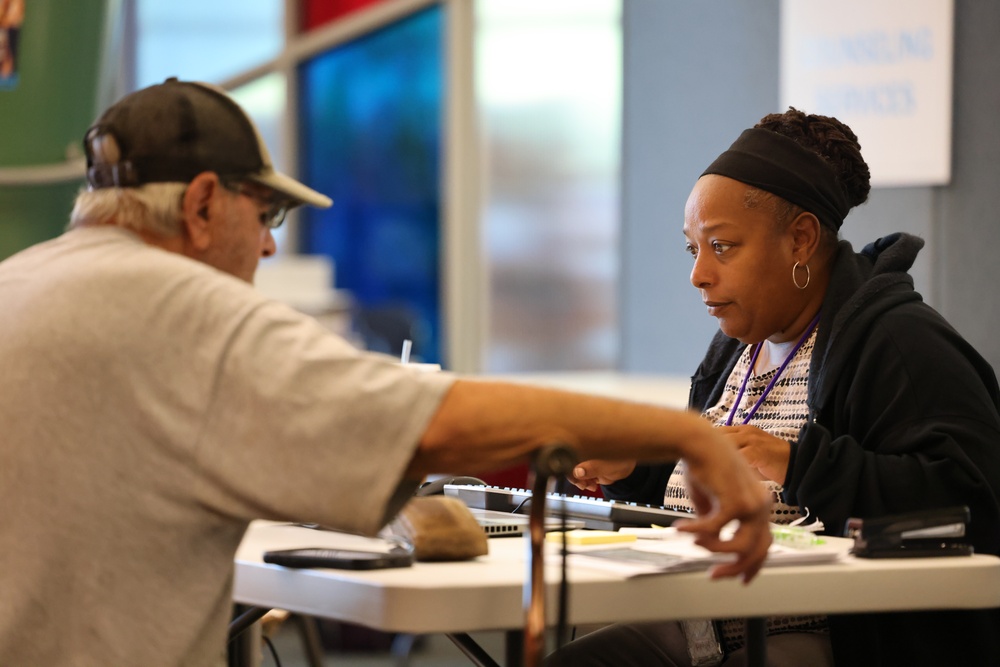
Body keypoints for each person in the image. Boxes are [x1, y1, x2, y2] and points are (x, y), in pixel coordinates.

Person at [0, 78, 772, 667]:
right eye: (265, 216)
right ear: (203, 204)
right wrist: (685, 437)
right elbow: (443, 421)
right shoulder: (189, 312)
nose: (268, 249)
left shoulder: (20, 281)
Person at [549, 108, 1000, 666]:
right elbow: (717, 486)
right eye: (693, 249)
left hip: (840, 637)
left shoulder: (899, 342)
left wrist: (797, 463)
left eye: (722, 246)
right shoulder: (739, 345)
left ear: (801, 239)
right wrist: (635, 469)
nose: (699, 275)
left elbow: (971, 500)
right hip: (706, 626)